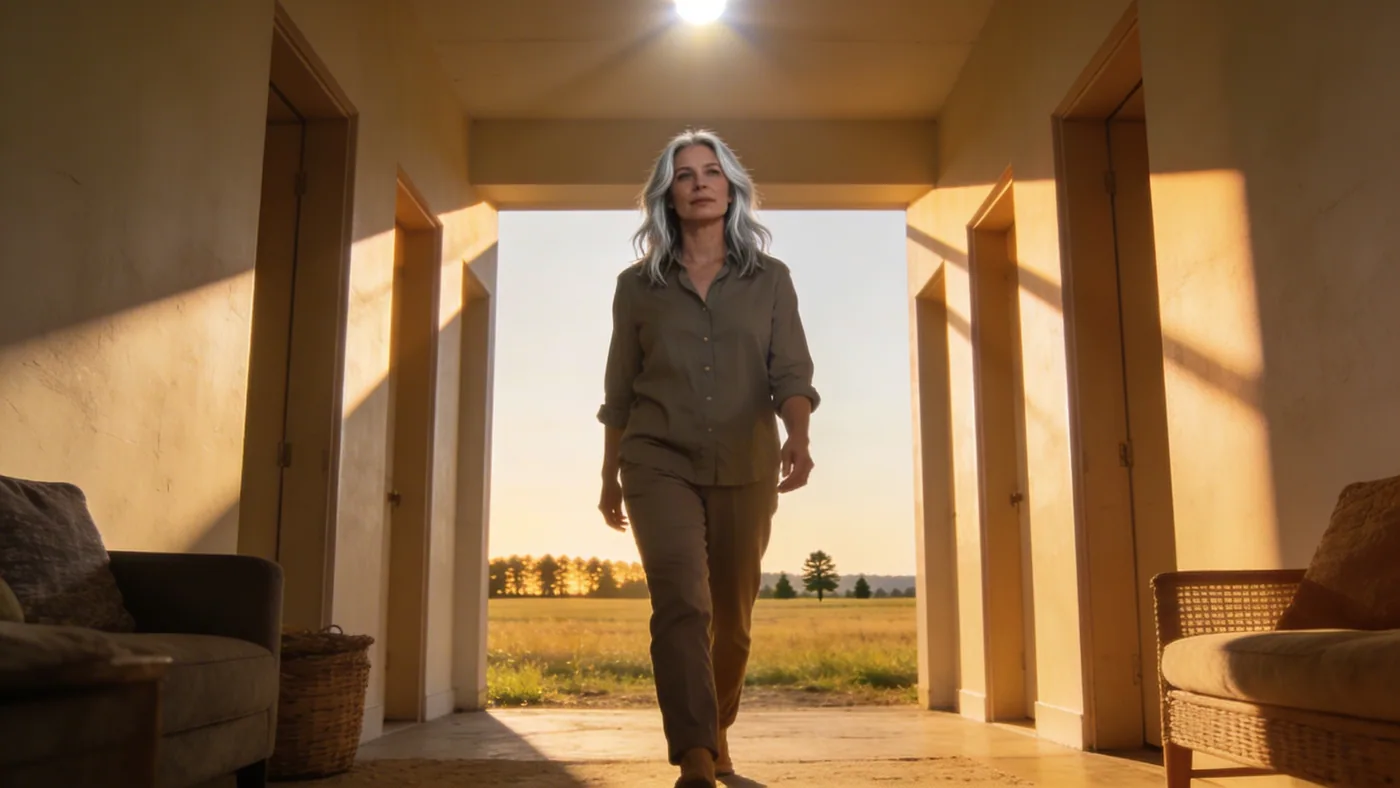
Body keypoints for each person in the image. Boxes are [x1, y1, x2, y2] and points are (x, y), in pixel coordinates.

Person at [596, 129, 820, 788]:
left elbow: (793, 372)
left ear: (730, 190)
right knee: (681, 604)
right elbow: (618, 389)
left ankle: (717, 725)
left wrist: (799, 436)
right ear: (668, 192)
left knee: (734, 620)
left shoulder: (770, 280)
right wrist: (608, 472)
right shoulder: (636, 287)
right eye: (685, 172)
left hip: (747, 463)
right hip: (655, 457)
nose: (699, 181)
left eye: (711, 171)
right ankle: (694, 752)